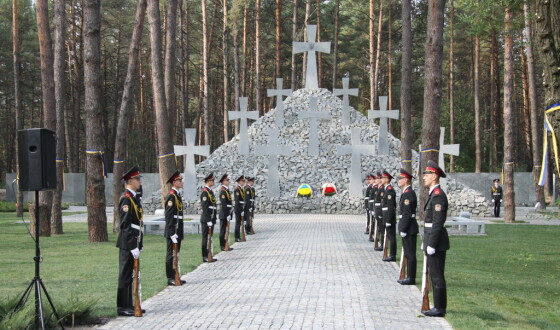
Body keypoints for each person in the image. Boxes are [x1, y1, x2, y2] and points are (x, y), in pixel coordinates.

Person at [421, 159, 450, 317]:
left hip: (437, 242)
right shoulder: (433, 194)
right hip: (431, 239)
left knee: (437, 276)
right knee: (433, 274)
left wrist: (431, 244)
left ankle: (440, 308)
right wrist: (426, 242)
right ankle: (437, 305)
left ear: (434, 176)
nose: (424, 176)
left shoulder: (438, 196)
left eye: (427, 174)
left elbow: (438, 223)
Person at [116, 166, 145, 316]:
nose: (139, 181)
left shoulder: (134, 197)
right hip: (128, 243)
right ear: (130, 181)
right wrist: (133, 244)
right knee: (125, 275)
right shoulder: (126, 199)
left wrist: (139, 243)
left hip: (134, 240)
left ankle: (131, 304)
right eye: (137, 179)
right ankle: (122, 306)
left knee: (132, 274)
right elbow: (125, 225)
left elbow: (138, 223)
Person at [164, 170, 186, 286]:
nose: (181, 182)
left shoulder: (177, 195)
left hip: (178, 229)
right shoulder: (171, 196)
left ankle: (175, 274)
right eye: (179, 180)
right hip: (173, 230)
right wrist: (172, 232)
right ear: (174, 182)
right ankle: (170, 277)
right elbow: (168, 216)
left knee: (176, 253)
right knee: (171, 254)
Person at [397, 168, 418, 285]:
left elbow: (407, 213)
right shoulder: (406, 192)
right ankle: (409, 276)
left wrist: (403, 229)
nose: (398, 181)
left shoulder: (408, 193)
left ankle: (411, 277)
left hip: (409, 228)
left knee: (410, 254)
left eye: (400, 179)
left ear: (406, 180)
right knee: (408, 253)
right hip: (408, 227)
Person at [200, 173, 217, 262]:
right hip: (207, 219)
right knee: (205, 237)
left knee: (209, 237)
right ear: (207, 181)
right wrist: (208, 220)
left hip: (211, 218)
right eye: (212, 180)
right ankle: (205, 256)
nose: (213, 182)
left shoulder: (210, 191)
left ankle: (209, 254)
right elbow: (205, 207)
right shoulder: (205, 192)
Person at [381, 170, 397, 261]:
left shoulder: (390, 191)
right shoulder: (387, 189)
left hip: (389, 218)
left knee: (392, 237)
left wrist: (388, 220)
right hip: (386, 216)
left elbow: (391, 207)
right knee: (390, 236)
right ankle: (391, 254)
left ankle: (392, 255)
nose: (381, 179)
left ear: (387, 179)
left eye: (383, 178)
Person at [219, 174, 234, 251]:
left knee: (225, 229)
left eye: (228, 180)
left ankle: (226, 244)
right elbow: (224, 204)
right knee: (223, 230)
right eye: (227, 180)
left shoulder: (226, 190)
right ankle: (222, 245)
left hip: (227, 212)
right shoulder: (223, 191)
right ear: (223, 182)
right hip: (224, 213)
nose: (228, 181)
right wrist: (227, 214)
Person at [373, 172, 385, 251]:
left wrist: (380, 213)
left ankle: (383, 244)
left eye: (378, 178)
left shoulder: (382, 189)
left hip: (380, 211)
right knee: (380, 228)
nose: (376, 180)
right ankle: (381, 243)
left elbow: (382, 202)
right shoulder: (379, 188)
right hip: (377, 210)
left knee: (382, 229)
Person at [234, 175, 246, 242]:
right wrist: (241, 210)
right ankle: (237, 237)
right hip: (238, 208)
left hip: (241, 208)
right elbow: (237, 201)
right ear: (239, 181)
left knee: (240, 223)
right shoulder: (237, 190)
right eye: (243, 181)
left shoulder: (241, 189)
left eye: (244, 181)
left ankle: (239, 236)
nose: (244, 182)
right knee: (238, 223)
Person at [368, 173, 378, 242]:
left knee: (374, 223)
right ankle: (372, 234)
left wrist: (373, 209)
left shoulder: (376, 188)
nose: (369, 180)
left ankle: (374, 235)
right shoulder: (373, 187)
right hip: (372, 207)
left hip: (375, 208)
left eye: (371, 179)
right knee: (371, 221)